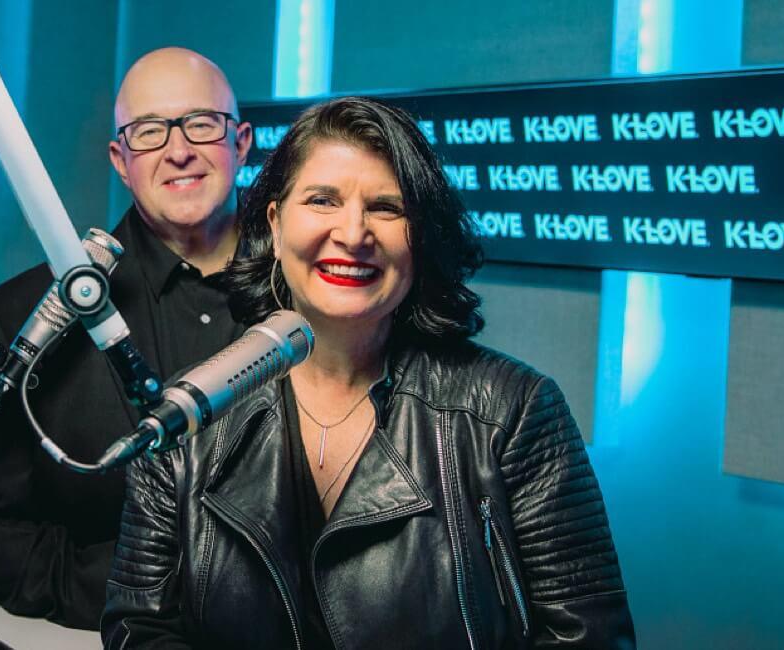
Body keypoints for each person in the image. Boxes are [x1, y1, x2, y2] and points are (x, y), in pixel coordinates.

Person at [102, 96, 636, 648]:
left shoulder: (514, 409)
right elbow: (138, 628)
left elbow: (588, 637)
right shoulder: (191, 412)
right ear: (276, 223)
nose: (353, 233)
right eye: (323, 200)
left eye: (386, 207)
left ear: (421, 237)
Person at [0, 47, 253, 630]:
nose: (179, 150)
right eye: (150, 132)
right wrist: (130, 601)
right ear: (120, 159)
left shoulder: (318, 299)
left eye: (202, 124)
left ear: (240, 143)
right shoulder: (19, 315)